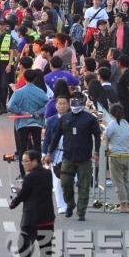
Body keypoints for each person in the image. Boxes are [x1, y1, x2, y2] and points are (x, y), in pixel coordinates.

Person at [45, 93, 102, 221]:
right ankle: (70, 204)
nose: (75, 104)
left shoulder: (90, 119)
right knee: (65, 183)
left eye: (77, 101)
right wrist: (49, 153)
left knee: (84, 186)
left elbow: (97, 135)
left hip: (84, 159)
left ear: (82, 102)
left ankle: (81, 212)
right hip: (68, 158)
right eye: (73, 101)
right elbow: (56, 137)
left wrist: (96, 152)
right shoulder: (64, 119)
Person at [8, 150, 55, 257]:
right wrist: (23, 190)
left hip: (32, 219)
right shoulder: (48, 173)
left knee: (22, 245)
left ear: (35, 161)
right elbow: (37, 190)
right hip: (47, 217)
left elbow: (24, 196)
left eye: (26, 161)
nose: (23, 164)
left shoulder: (29, 178)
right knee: (46, 248)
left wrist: (12, 203)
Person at [7, 70, 47, 179]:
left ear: (24, 78)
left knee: (22, 149)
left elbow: (10, 105)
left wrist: (21, 112)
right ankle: (38, 172)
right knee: (37, 147)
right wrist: (39, 112)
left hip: (23, 122)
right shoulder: (40, 92)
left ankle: (23, 173)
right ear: (35, 79)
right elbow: (47, 105)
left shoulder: (19, 92)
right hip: (37, 123)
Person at [103, 104, 129, 213]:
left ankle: (123, 204)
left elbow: (104, 137)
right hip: (126, 154)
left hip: (115, 155)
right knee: (126, 179)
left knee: (117, 180)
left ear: (111, 114)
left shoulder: (112, 124)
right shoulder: (125, 123)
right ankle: (128, 204)